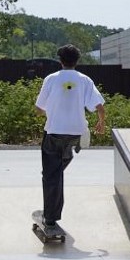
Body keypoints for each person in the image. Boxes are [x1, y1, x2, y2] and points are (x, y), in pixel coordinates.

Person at [33, 44, 106, 237]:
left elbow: (39, 107)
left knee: (51, 175)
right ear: (77, 61)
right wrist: (101, 123)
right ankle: (52, 210)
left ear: (60, 60)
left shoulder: (51, 79)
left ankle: (50, 217)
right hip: (75, 135)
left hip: (55, 133)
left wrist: (46, 111)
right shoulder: (85, 80)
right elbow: (99, 106)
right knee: (56, 172)